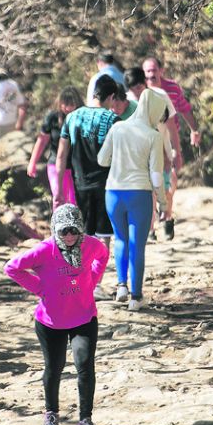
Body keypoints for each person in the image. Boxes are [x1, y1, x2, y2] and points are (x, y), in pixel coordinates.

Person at [3, 204, 109, 425]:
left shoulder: (91, 245)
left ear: (80, 229)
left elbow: (102, 256)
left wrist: (92, 281)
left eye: (74, 230)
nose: (70, 236)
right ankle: (51, 415)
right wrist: (40, 288)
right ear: (55, 231)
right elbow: (11, 268)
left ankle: (86, 420)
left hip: (84, 317)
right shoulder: (44, 250)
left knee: (85, 366)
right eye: (64, 232)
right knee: (55, 367)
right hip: (51, 322)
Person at [97, 89, 168, 311]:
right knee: (137, 245)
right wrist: (163, 203)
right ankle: (136, 298)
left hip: (113, 193)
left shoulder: (117, 128)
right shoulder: (153, 135)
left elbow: (102, 160)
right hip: (139, 194)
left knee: (120, 239)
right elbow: (156, 176)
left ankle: (121, 287)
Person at [54, 74, 120, 301]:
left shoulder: (72, 118)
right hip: (106, 185)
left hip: (79, 185)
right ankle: (96, 283)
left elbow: (61, 156)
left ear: (93, 94)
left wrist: (58, 190)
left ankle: (80, 281)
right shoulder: (112, 120)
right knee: (104, 238)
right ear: (111, 97)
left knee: (81, 235)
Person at [143, 57, 203, 239]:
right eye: (147, 71)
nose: (151, 74)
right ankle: (151, 226)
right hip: (148, 142)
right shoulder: (140, 92)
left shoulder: (172, 88)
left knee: (171, 181)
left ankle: (167, 216)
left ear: (161, 70)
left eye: (154, 70)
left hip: (170, 139)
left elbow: (184, 108)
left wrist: (194, 129)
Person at [125, 67, 179, 240]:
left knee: (167, 188)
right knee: (148, 193)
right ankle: (150, 229)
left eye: (139, 88)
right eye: (132, 89)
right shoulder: (126, 102)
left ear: (145, 84)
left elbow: (171, 124)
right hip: (140, 156)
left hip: (162, 149)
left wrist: (175, 150)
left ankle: (168, 218)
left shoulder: (160, 96)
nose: (136, 92)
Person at [27, 87, 85, 205]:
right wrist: (32, 162)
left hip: (77, 166)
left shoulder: (84, 117)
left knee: (75, 201)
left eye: (71, 104)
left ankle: (77, 223)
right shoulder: (53, 117)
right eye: (65, 104)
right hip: (55, 165)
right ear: (60, 103)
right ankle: (58, 223)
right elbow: (42, 140)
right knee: (58, 199)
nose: (68, 108)